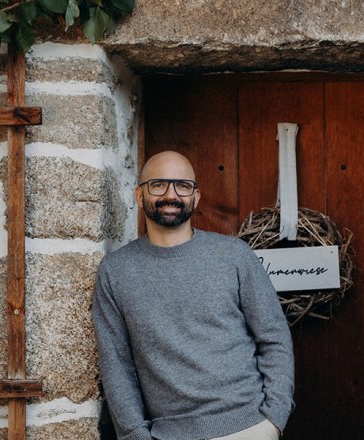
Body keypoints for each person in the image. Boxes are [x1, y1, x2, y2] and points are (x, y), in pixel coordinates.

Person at [93, 151, 295, 440]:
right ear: (139, 195)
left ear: (196, 197)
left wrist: (274, 418)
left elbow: (274, 336)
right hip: (168, 433)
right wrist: (135, 435)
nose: (171, 194)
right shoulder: (116, 271)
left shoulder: (234, 256)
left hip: (248, 427)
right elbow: (116, 363)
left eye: (182, 186)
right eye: (158, 184)